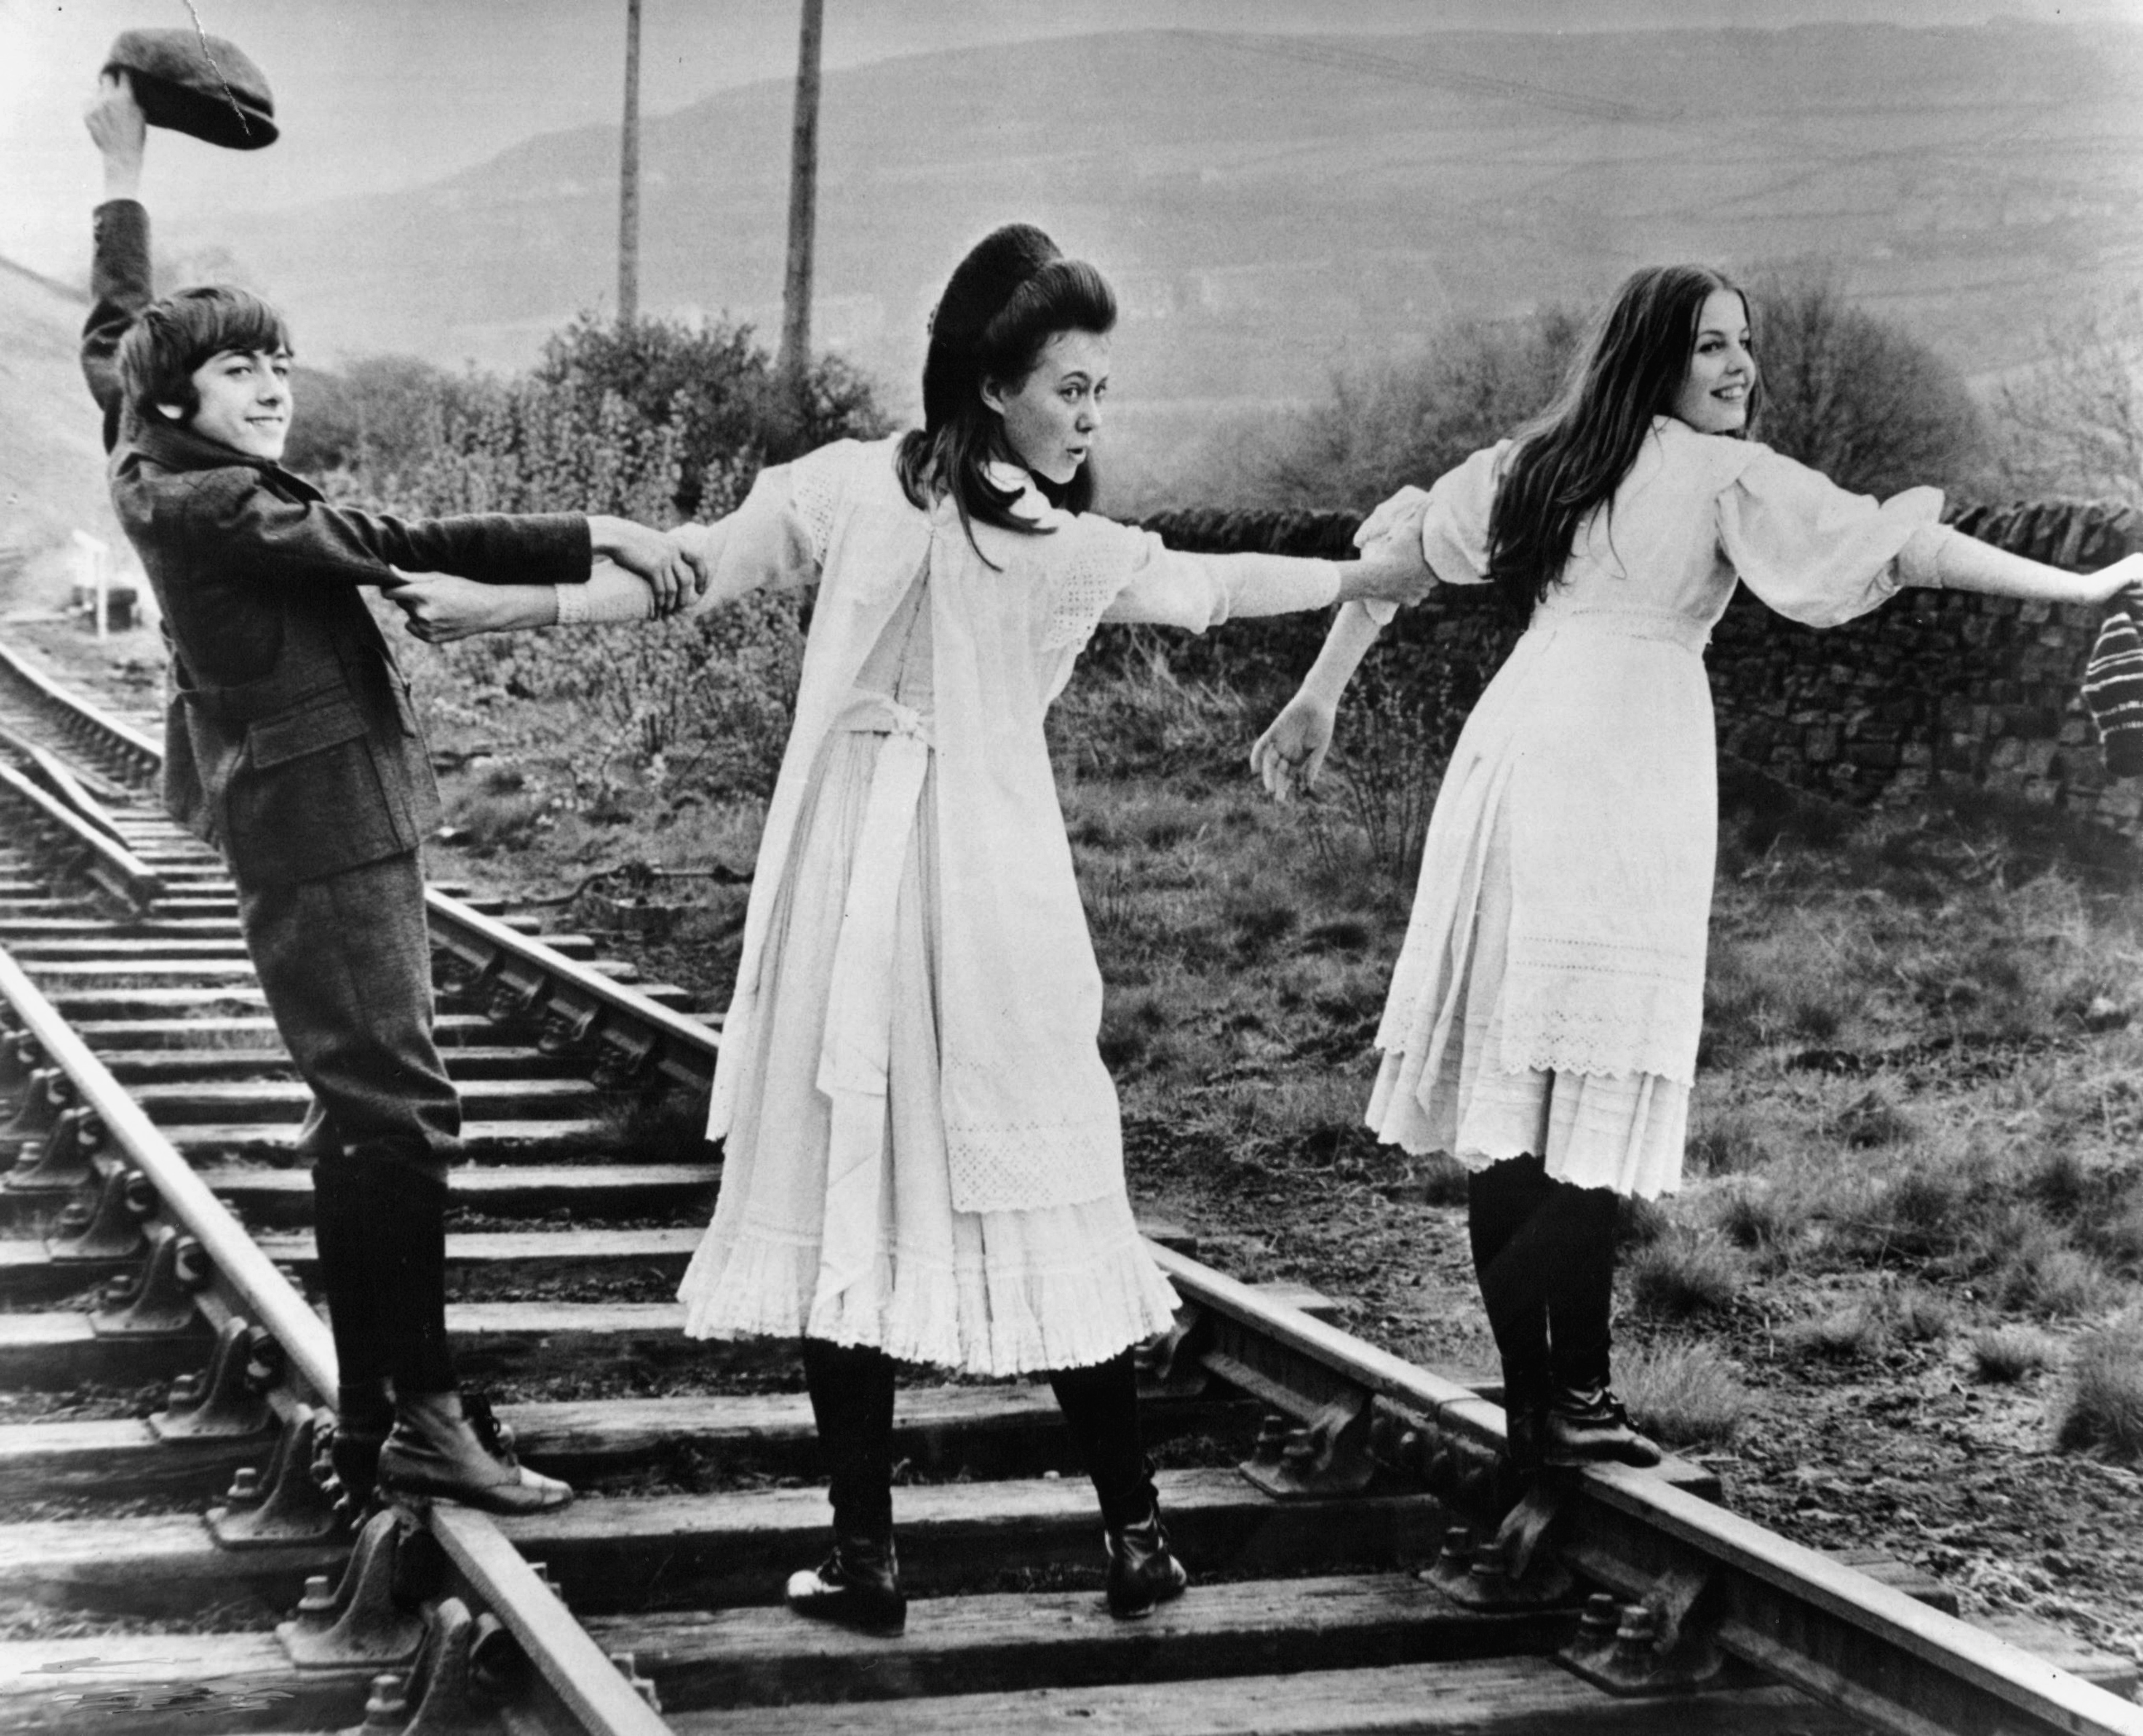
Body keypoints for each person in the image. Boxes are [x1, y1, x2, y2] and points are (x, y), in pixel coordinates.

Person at [391, 223, 1433, 1628]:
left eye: (1099, 390)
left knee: (869, 1178)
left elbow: (1222, 578)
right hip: (948, 881)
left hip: (886, 881)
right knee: (1027, 1169)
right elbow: (684, 569)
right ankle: (1108, 1537)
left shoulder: (1008, 528)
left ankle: (912, 1551)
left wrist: (1367, 579)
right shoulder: (929, 510)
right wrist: (503, 602)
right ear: (992, 385)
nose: (1091, 414)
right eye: (1072, 386)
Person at [1251, 264, 2143, 1480]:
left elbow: (1392, 564)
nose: (1741, 369)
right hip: (1617, 775)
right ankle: (1576, 1394)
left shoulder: (1537, 464)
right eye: (1713, 346)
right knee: (1588, 1073)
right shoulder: (1719, 476)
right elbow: (1904, 548)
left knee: (1526, 1094)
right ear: (1654, 358)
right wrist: (2086, 583)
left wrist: (1317, 695)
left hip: (1515, 758)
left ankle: (1544, 1402)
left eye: (1745, 345)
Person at [79, 72, 703, 1514]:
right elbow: (401, 532)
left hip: (306, 806)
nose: (277, 386)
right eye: (245, 373)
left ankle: (381, 1410)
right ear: (184, 402)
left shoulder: (143, 437)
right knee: (401, 1114)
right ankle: (418, 1419)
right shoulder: (220, 501)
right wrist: (602, 525)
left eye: (283, 362)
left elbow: (116, 330)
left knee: (362, 1108)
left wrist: (122, 174)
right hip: (324, 821)